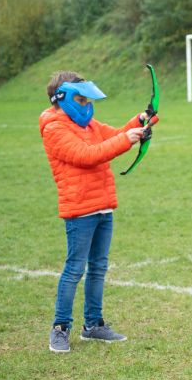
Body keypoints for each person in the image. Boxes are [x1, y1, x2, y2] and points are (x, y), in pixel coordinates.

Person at [40, 71, 157, 353]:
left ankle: (93, 325)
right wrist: (126, 139)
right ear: (62, 99)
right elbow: (87, 155)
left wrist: (139, 122)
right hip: (79, 210)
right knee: (75, 269)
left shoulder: (89, 124)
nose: (86, 105)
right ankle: (60, 327)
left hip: (103, 206)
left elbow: (113, 136)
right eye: (80, 99)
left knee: (98, 268)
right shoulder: (55, 128)